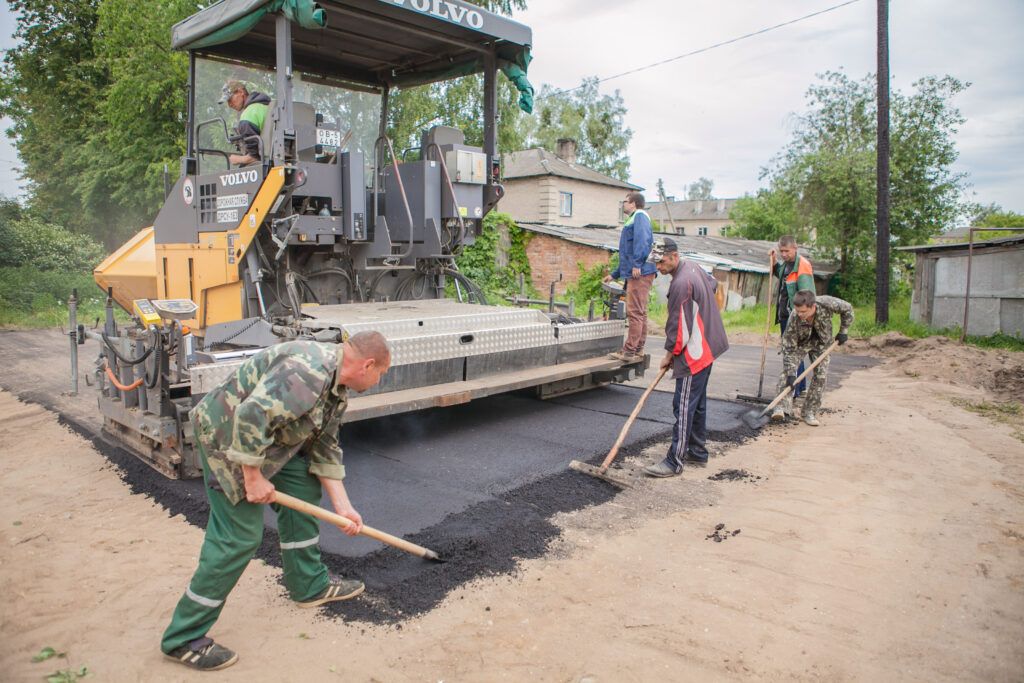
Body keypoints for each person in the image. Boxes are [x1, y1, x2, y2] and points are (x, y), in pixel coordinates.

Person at [160, 331, 391, 671]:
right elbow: (252, 415)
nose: (379, 380)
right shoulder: (308, 373)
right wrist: (252, 478)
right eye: (381, 374)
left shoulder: (336, 385)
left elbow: (324, 444)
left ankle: (308, 584)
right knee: (239, 537)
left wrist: (343, 507)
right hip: (226, 437)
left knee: (301, 483)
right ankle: (183, 638)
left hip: (267, 441)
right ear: (368, 364)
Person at [644, 238, 729, 477]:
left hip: (696, 352)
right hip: (711, 343)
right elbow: (712, 285)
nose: (657, 268)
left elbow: (678, 329)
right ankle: (698, 452)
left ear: (673, 256)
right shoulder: (693, 266)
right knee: (697, 402)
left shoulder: (681, 283)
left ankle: (674, 461)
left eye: (660, 262)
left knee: (682, 406)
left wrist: (669, 354)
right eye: (655, 263)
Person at [772, 290, 853, 426]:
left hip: (822, 343)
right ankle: (780, 408)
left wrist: (843, 331)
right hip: (801, 344)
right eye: (798, 311)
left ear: (813, 306)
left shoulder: (827, 303)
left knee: (821, 377)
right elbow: (789, 348)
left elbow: (848, 309)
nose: (800, 314)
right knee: (787, 373)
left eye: (803, 312)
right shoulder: (794, 318)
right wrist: (792, 373)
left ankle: (809, 412)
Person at [604, 192, 657, 362]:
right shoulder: (634, 218)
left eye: (625, 202)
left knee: (634, 312)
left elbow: (642, 241)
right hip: (639, 271)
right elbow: (627, 252)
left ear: (633, 203)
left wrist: (638, 264)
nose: (623, 205)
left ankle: (628, 351)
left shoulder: (640, 216)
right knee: (640, 312)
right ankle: (638, 348)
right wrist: (615, 274)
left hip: (639, 273)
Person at [769, 235, 815, 404]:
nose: (784, 254)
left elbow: (807, 297)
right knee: (793, 352)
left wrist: (804, 320)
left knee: (793, 352)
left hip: (796, 318)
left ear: (795, 248)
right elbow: (779, 274)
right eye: (781, 251)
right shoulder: (787, 264)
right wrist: (773, 261)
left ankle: (795, 389)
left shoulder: (802, 266)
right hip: (785, 316)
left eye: (786, 251)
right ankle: (799, 388)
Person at [221, 80, 271, 166]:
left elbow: (255, 156)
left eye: (230, 99)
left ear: (241, 92)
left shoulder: (247, 115)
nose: (229, 104)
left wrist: (237, 159)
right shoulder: (267, 106)